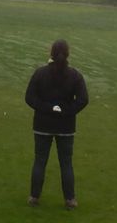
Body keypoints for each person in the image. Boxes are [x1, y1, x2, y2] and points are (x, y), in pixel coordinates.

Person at [24, 39, 89, 209]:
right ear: (68, 54)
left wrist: (47, 108)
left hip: (42, 124)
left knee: (40, 161)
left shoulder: (40, 73)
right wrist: (66, 110)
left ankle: (34, 197)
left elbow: (29, 98)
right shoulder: (75, 76)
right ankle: (70, 200)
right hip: (65, 126)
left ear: (50, 53)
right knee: (66, 163)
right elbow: (83, 100)